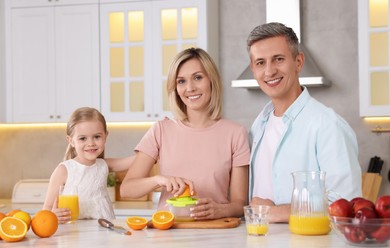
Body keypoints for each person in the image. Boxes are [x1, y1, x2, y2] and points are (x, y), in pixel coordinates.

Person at [246, 22, 362, 223]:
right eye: (260, 63)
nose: (269, 71)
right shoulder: (259, 125)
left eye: (278, 59)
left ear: (298, 62)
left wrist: (274, 212)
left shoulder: (327, 125)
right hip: (259, 246)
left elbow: (346, 206)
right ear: (253, 69)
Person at [120, 48, 250, 220]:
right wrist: (158, 180)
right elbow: (127, 189)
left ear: (211, 80)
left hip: (215, 234)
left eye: (198, 77)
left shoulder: (236, 133)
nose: (190, 88)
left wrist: (220, 210)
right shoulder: (161, 130)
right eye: (181, 81)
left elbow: (240, 203)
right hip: (169, 234)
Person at [43, 107, 134, 223]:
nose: (91, 143)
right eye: (82, 138)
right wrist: (53, 215)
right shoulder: (64, 170)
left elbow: (135, 160)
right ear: (71, 141)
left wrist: (155, 150)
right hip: (73, 234)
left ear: (106, 136)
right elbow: (46, 209)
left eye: (97, 137)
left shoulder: (103, 165)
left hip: (104, 231)